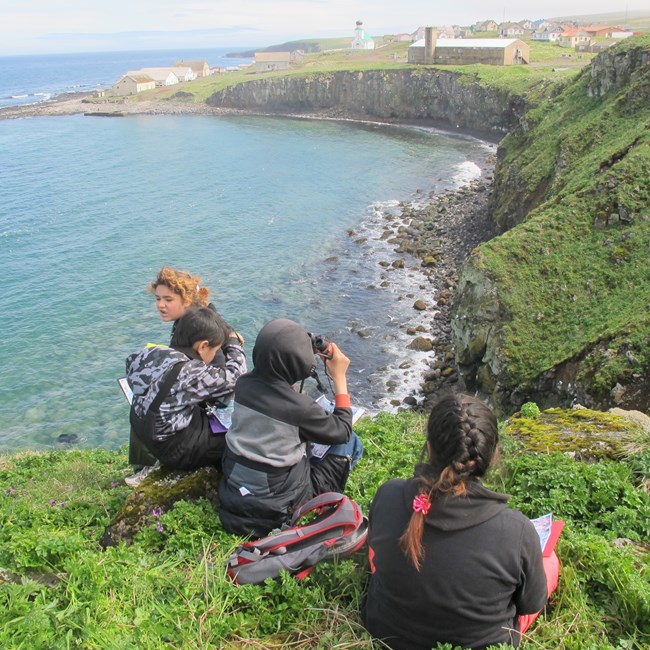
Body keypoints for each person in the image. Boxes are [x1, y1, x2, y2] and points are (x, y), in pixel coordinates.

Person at [362, 392, 559, 650]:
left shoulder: (388, 494)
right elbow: (531, 604)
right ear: (493, 455)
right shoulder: (516, 529)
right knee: (550, 561)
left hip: (386, 632)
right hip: (481, 644)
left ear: (429, 447)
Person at [218, 318, 363, 538]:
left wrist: (297, 351)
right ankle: (332, 489)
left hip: (234, 498)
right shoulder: (301, 409)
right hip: (279, 511)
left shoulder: (243, 384)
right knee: (351, 442)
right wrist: (339, 376)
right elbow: (342, 431)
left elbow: (277, 390)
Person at [126, 266, 233, 482]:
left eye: (168, 299)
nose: (160, 305)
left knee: (148, 403)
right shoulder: (184, 323)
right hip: (194, 396)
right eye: (157, 299)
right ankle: (145, 466)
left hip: (210, 398)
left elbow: (224, 376)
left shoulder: (202, 326)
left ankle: (146, 467)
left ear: (186, 300)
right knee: (147, 403)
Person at [126, 307, 247, 471]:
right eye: (215, 349)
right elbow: (236, 376)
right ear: (203, 346)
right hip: (172, 449)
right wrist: (232, 343)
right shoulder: (188, 372)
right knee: (240, 435)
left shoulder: (148, 353)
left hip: (145, 432)